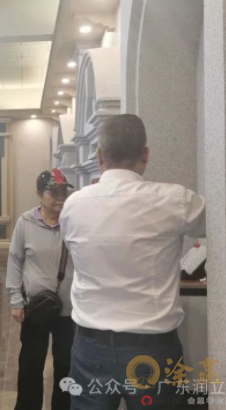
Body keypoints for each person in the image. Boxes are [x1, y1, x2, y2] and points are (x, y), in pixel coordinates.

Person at [59, 114, 206, 410]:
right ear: (146, 154)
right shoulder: (175, 200)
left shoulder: (74, 205)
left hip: (91, 345)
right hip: (153, 347)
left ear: (99, 157)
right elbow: (223, 225)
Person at [6, 168, 75, 410]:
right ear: (39, 194)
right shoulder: (26, 222)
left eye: (63, 191)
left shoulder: (73, 221)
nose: (60, 196)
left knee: (66, 365)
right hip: (35, 307)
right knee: (31, 364)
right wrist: (16, 300)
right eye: (53, 192)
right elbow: (15, 260)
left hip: (69, 309)